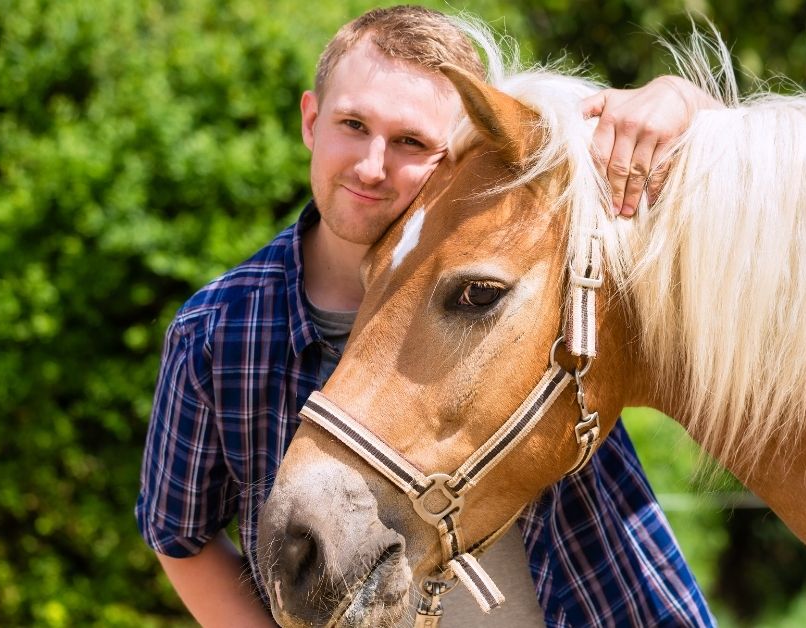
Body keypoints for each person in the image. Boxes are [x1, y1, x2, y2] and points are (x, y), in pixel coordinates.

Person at [136, 5, 720, 626]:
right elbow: (180, 534)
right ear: (312, 121)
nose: (370, 164)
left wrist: (680, 99)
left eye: (411, 141)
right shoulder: (219, 330)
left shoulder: (540, 248)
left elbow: (735, 171)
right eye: (353, 124)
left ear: (458, 153)